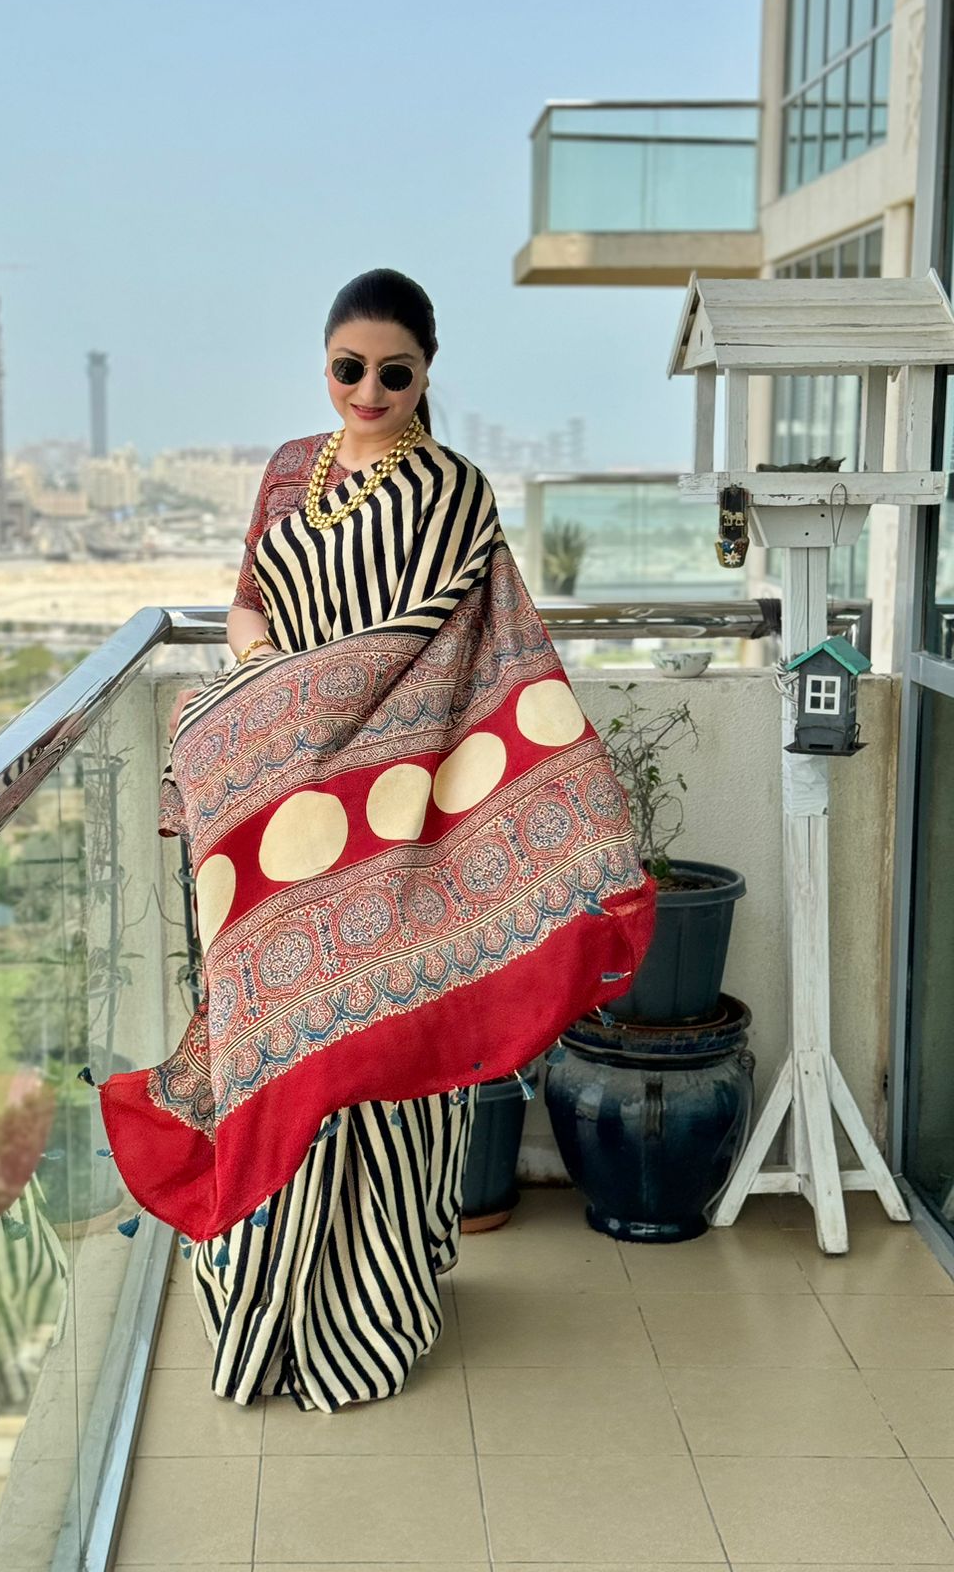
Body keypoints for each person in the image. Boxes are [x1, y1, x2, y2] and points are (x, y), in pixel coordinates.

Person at [99, 268, 655, 1413]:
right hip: (275, 817)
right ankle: (265, 1297)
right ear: (325, 364)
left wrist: (303, 713)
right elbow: (250, 594)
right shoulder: (289, 468)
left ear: (426, 375)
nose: (368, 389)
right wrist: (259, 684)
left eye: (392, 372)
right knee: (275, 1031)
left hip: (397, 805)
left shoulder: (454, 491)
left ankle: (371, 1306)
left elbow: (422, 649)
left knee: (386, 1048)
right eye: (348, 367)